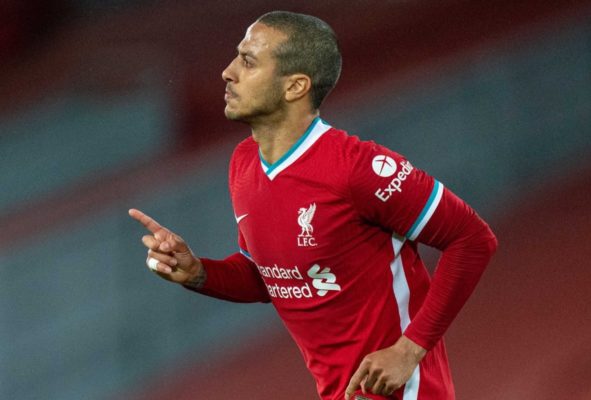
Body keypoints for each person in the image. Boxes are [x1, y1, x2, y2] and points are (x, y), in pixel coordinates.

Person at [129, 11, 497, 400]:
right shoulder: (244, 163)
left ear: (295, 86)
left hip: (404, 392)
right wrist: (199, 273)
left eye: (248, 61)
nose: (227, 71)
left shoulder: (358, 168)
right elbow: (272, 276)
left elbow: (472, 239)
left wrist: (410, 350)